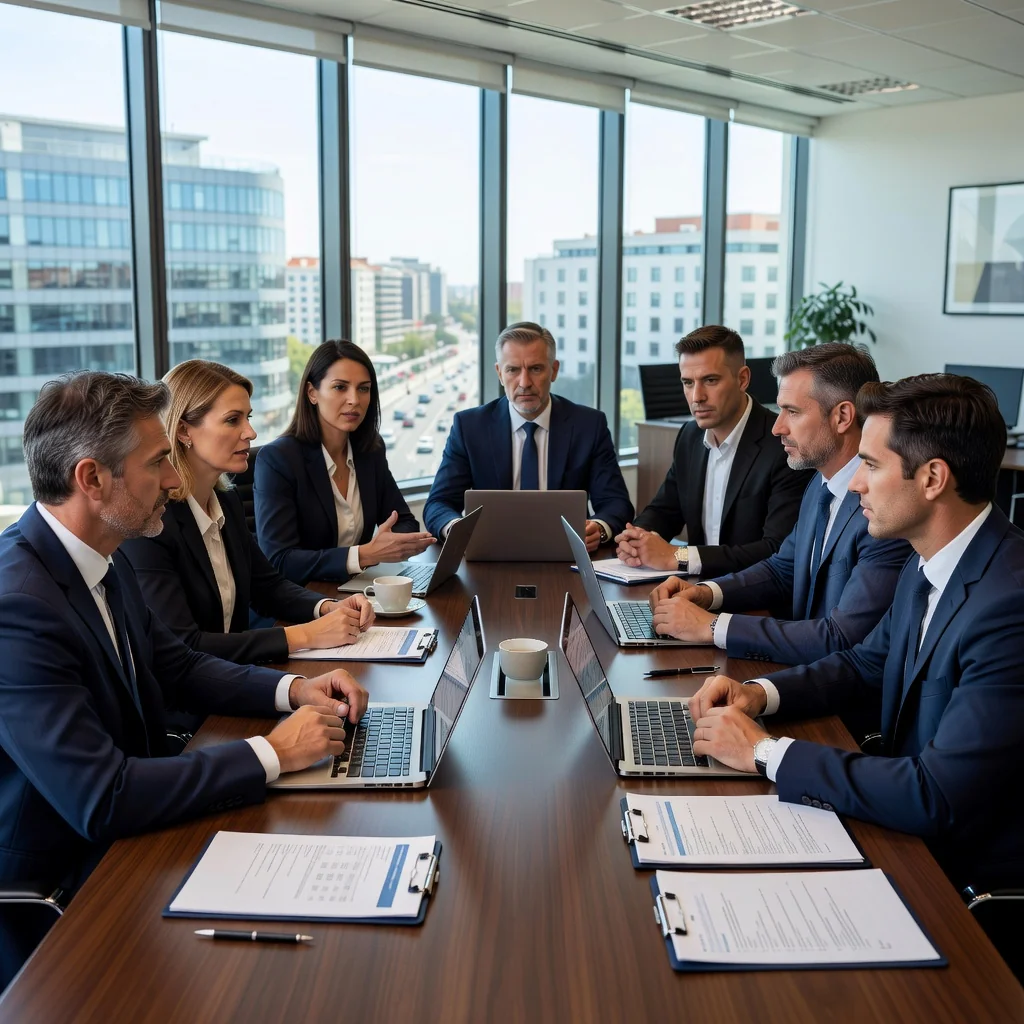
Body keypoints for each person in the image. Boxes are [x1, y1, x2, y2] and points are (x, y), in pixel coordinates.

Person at [0, 371, 368, 987]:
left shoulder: (98, 555)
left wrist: (293, 690)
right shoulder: (19, 604)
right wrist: (272, 752)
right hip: (70, 884)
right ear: (91, 479)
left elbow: (176, 662)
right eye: (156, 463)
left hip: (136, 836)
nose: (173, 480)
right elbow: (102, 797)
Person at [686, 373, 1024, 893]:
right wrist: (758, 694)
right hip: (898, 824)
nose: (857, 483)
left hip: (956, 882)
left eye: (870, 464)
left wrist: (764, 751)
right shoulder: (929, 556)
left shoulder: (1010, 606)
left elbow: (935, 794)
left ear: (932, 479)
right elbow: (866, 662)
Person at [648, 343, 911, 669]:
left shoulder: (884, 512)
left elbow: (841, 639)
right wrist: (705, 593)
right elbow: (781, 568)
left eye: (793, 412)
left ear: (842, 416)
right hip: (799, 672)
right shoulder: (821, 483)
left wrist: (711, 627)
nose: (777, 427)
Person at [122, 360, 375, 666]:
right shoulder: (152, 524)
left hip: (235, 680)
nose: (251, 433)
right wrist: (307, 635)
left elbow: (266, 586)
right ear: (183, 430)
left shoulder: (224, 501)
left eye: (248, 418)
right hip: (189, 705)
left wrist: (327, 607)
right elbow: (184, 645)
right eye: (233, 420)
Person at [615, 326, 812, 577]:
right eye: (688, 383)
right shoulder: (689, 436)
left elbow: (775, 550)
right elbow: (665, 510)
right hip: (694, 588)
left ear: (742, 379)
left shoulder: (783, 445)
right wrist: (635, 538)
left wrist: (679, 556)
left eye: (710, 380)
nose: (697, 397)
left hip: (753, 599)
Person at [423, 322, 633, 551]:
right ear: (499, 373)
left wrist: (599, 528)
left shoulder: (588, 425)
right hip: (490, 555)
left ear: (554, 370)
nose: (524, 383)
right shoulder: (470, 427)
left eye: (535, 369)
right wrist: (458, 530)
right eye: (513, 370)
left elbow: (616, 503)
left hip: (568, 555)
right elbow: (438, 504)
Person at [255, 340, 434, 584]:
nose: (354, 400)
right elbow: (280, 560)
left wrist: (391, 544)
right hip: (300, 603)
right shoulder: (279, 459)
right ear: (312, 393)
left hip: (357, 592)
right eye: (340, 387)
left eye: (364, 389)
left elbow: (404, 520)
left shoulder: (369, 450)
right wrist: (364, 555)